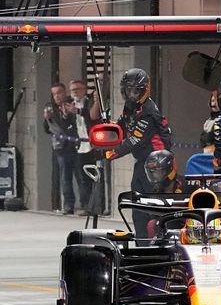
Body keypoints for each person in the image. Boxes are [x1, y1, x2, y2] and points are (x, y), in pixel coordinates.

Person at [105, 68, 172, 236]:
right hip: (142, 163)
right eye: (128, 91)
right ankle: (142, 242)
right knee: (138, 205)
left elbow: (135, 140)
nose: (132, 95)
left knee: (153, 208)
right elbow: (120, 127)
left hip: (158, 165)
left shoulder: (148, 111)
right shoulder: (131, 107)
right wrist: (107, 128)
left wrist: (112, 152)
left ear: (144, 90)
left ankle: (158, 242)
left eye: (135, 91)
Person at [43, 83, 82, 215]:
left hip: (76, 146)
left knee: (80, 176)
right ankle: (68, 206)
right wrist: (47, 119)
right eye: (54, 94)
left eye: (59, 93)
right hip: (60, 148)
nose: (57, 96)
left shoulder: (72, 105)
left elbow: (72, 126)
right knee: (65, 177)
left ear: (65, 93)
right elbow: (47, 129)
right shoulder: (51, 108)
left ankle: (85, 204)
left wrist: (66, 115)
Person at [69, 79, 101, 211]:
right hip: (79, 146)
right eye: (73, 90)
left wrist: (78, 111)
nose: (75, 92)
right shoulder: (69, 105)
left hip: (92, 145)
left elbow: (91, 117)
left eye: (78, 89)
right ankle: (85, 204)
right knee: (81, 178)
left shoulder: (89, 103)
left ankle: (95, 206)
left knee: (93, 176)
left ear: (84, 90)